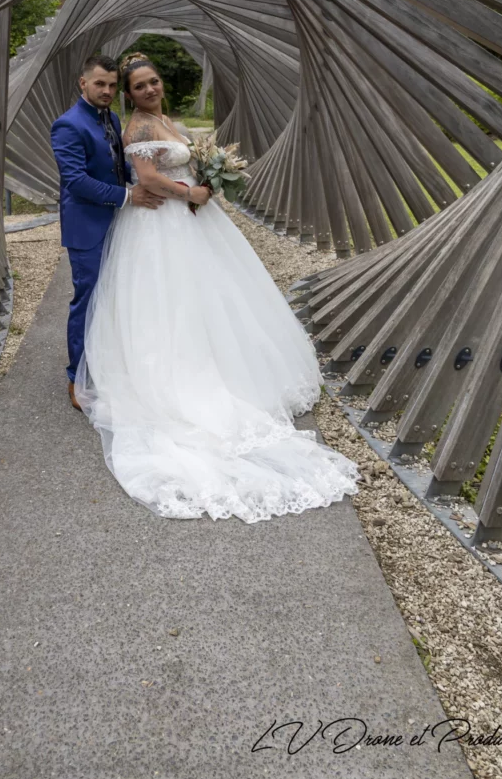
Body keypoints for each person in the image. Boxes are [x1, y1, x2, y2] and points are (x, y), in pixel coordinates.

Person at [73, 52, 361, 524]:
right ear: (127, 94)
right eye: (139, 86)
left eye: (153, 81)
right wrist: (192, 192)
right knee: (175, 300)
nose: (149, 89)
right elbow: (147, 178)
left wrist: (207, 175)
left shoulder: (166, 119)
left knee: (214, 297)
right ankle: (183, 376)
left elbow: (182, 162)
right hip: (161, 226)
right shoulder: (140, 129)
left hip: (192, 220)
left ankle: (227, 364)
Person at [50, 55, 163, 409]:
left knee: (113, 298)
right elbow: (76, 181)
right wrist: (128, 196)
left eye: (113, 85)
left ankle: (106, 363)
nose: (107, 91)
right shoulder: (68, 125)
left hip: (117, 221)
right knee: (87, 300)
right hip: (87, 226)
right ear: (83, 83)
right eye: (100, 84)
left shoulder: (111, 118)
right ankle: (75, 378)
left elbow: (115, 167)